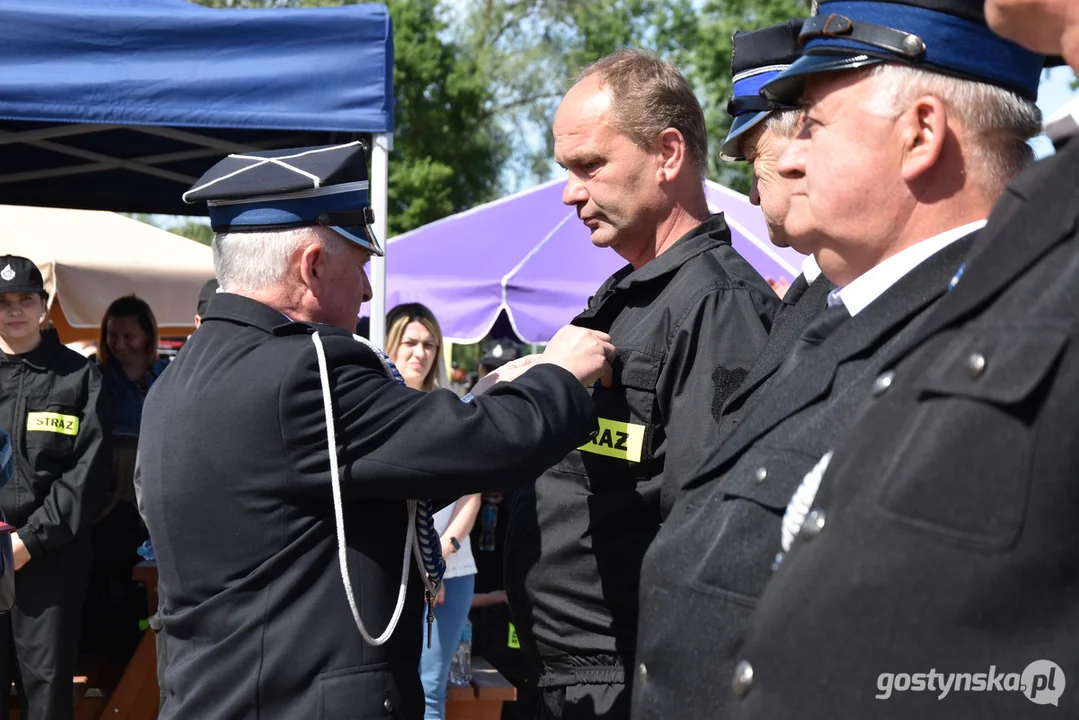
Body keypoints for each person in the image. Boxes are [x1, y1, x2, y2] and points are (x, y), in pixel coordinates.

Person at [632, 2, 1049, 717]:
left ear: (920, 134)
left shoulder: (997, 337)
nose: (785, 157)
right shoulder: (843, 322)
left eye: (813, 126)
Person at [136, 141, 615, 720]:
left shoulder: (176, 379)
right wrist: (559, 373)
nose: (367, 293)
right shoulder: (306, 370)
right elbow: (490, 449)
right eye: (360, 266)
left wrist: (479, 399)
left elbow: (354, 479)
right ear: (311, 265)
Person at [503, 50, 779, 719]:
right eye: (565, 170)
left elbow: (709, 541)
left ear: (667, 153)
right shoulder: (630, 295)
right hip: (565, 679)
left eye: (588, 166)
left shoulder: (717, 305)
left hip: (630, 681)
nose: (569, 192)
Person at [0, 255, 110, 720]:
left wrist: (28, 542)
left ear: (44, 306)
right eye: (2, 302)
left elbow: (88, 475)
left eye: (25, 298)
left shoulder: (79, 376)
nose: (13, 310)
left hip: (49, 562)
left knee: (45, 692)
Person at [383, 302, 480, 720]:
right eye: (410, 342)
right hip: (390, 572)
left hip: (450, 571)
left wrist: (438, 557)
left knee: (430, 689)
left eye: (429, 345)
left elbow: (471, 494)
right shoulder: (375, 405)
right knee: (382, 686)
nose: (419, 353)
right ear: (392, 344)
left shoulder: (450, 407)